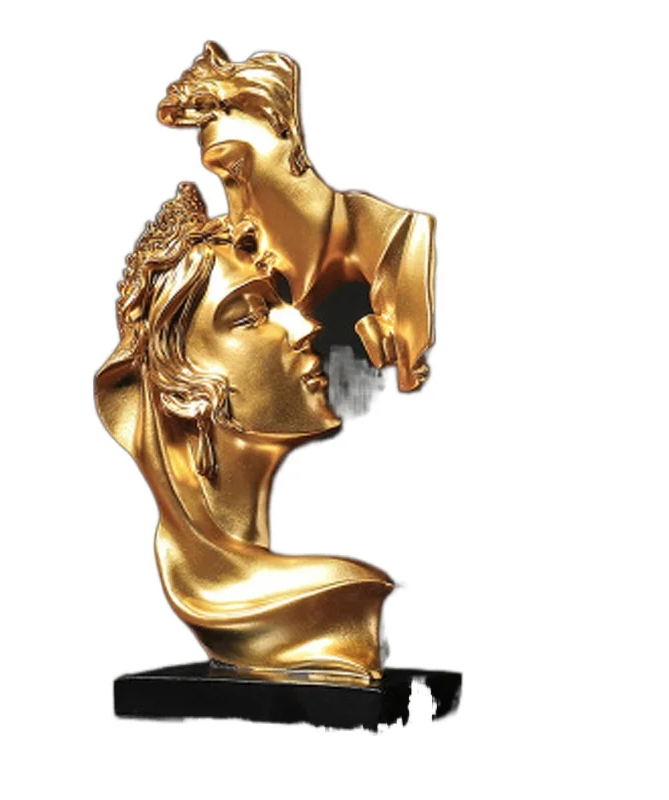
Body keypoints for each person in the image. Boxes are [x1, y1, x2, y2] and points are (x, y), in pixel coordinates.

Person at [95, 183, 393, 681]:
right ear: (181, 384)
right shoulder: (334, 593)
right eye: (252, 314)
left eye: (281, 302)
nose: (304, 327)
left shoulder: (326, 591)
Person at [158, 41, 436, 392]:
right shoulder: (247, 283)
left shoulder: (401, 246)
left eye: (237, 168)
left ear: (289, 136)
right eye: (225, 181)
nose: (238, 221)